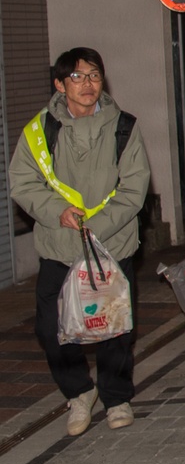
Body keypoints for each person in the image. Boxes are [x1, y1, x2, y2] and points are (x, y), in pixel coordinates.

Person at [9, 47, 150, 436]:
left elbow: (134, 187)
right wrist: (57, 211)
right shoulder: (39, 131)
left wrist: (97, 228)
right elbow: (23, 182)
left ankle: (116, 398)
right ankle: (79, 392)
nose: (87, 84)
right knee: (50, 328)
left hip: (112, 245)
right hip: (60, 245)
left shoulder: (124, 126)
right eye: (76, 76)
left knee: (115, 327)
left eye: (94, 75)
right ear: (60, 84)